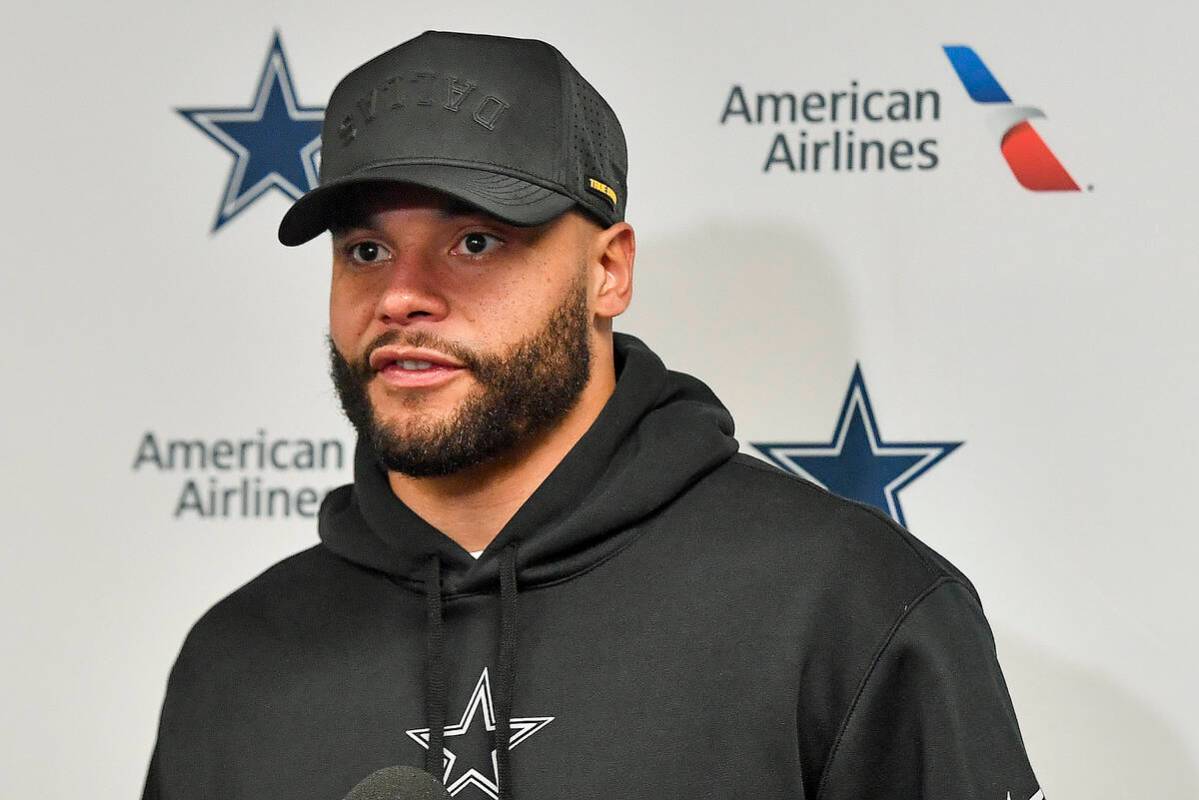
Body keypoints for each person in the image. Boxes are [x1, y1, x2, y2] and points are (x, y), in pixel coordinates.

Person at [140, 30, 1047, 800]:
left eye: (476, 241)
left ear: (607, 271)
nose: (403, 296)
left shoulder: (849, 606)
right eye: (366, 250)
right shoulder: (236, 659)